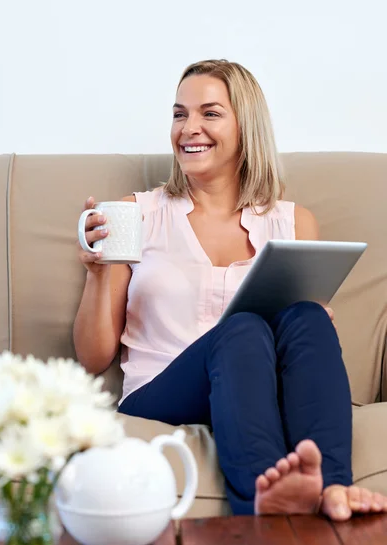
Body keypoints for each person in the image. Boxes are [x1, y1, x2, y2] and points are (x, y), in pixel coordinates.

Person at [74, 59, 387, 520]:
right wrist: (99, 273)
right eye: (180, 114)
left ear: (247, 127)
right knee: (241, 329)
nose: (188, 128)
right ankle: (263, 495)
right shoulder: (135, 214)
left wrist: (313, 315)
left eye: (209, 113)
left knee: (307, 317)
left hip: (259, 389)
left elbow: (305, 342)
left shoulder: (294, 222)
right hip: (164, 391)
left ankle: (333, 487)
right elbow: (93, 356)